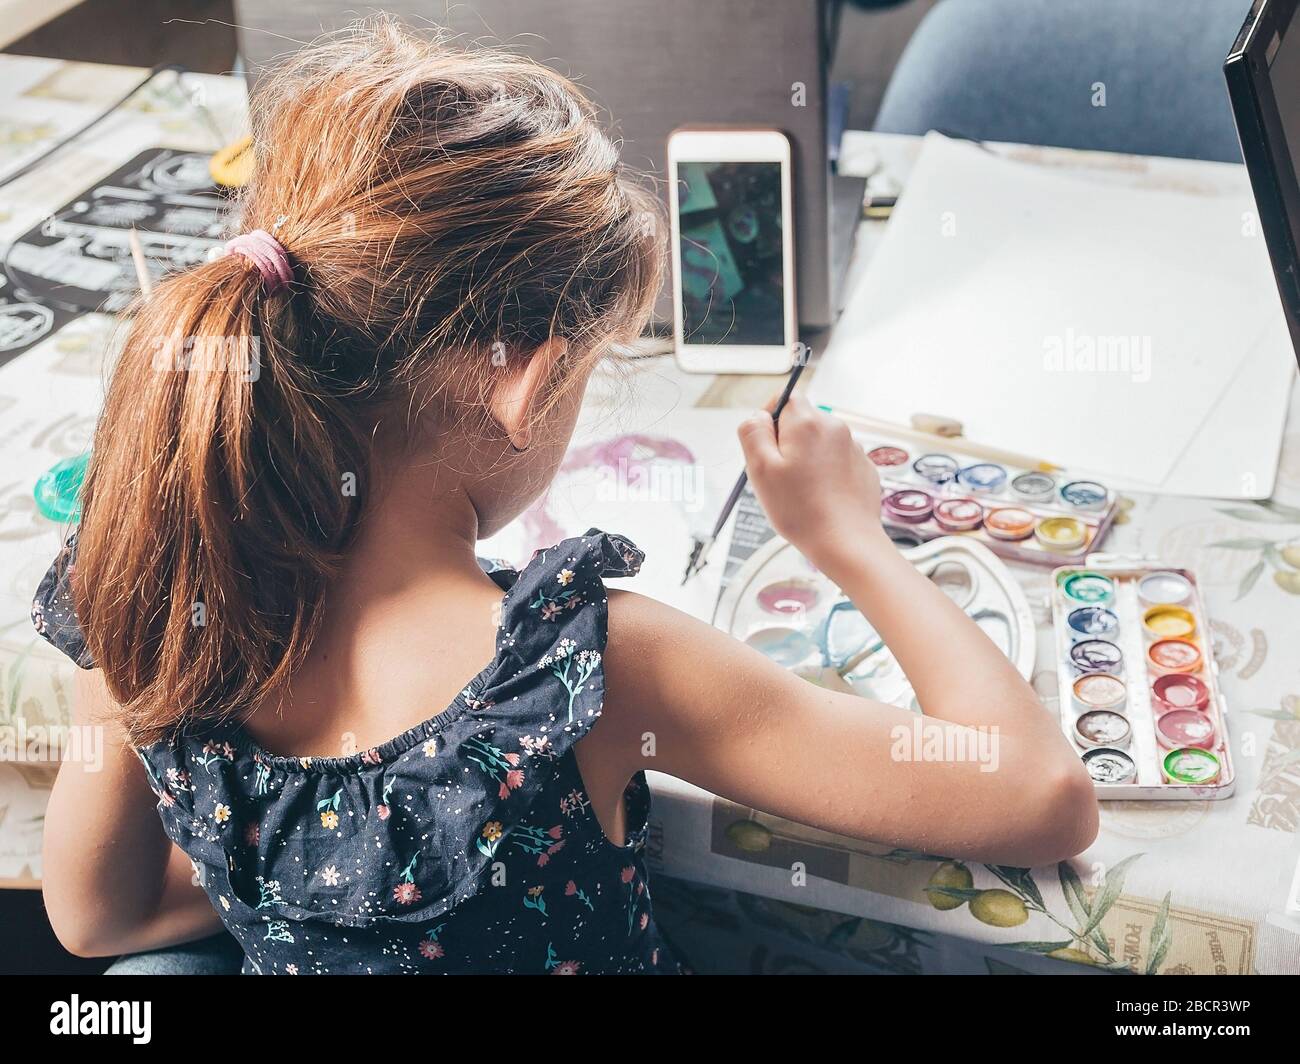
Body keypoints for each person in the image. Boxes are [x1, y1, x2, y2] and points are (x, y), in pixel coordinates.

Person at [34, 20, 1097, 975]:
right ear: (525, 382)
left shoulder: (144, 586)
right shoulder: (577, 673)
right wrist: (850, 539)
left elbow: (98, 917)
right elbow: (1039, 796)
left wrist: (302, 891)